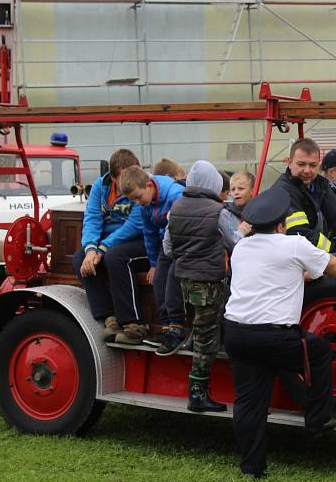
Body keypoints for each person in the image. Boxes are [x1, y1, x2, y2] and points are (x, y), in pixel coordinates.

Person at [223, 187, 336, 479]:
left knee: (249, 402)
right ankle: (318, 417)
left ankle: (252, 468)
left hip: (236, 333)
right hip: (274, 337)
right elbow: (333, 264)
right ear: (280, 225)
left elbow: (275, 274)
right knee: (320, 352)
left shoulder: (241, 249)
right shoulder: (294, 245)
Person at [165, 160, 238, 411]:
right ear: (215, 184)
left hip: (185, 279)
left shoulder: (175, 207)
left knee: (202, 324)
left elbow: (167, 247)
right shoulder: (219, 211)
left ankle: (195, 339)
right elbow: (236, 243)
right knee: (208, 337)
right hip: (210, 282)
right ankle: (197, 395)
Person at [72, 148, 149, 343]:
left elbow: (134, 225)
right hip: (107, 244)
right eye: (124, 178)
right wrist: (91, 249)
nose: (131, 181)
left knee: (115, 257)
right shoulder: (100, 186)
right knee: (80, 258)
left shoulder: (143, 187)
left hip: (139, 241)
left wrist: (102, 248)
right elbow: (92, 218)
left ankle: (134, 323)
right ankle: (109, 318)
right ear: (113, 178)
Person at [119, 165, 185, 346]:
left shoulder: (174, 194)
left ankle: (177, 327)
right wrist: (154, 263)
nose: (138, 202)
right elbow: (148, 233)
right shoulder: (144, 205)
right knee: (158, 280)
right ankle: (165, 328)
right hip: (166, 246)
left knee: (173, 278)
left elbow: (185, 224)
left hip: (184, 246)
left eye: (138, 197)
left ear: (149, 186)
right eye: (133, 200)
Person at [224, 170, 254, 239]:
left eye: (241, 188)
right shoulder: (226, 215)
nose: (236, 192)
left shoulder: (260, 213)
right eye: (233, 189)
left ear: (252, 190)